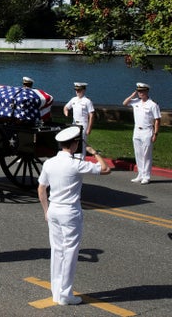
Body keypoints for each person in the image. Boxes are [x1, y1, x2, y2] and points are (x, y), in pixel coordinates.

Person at [37, 126, 110, 305]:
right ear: (74, 144)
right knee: (70, 251)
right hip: (70, 211)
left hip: (53, 209)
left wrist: (46, 211)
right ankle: (66, 294)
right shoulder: (76, 164)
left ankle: (56, 291)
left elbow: (41, 188)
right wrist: (95, 153)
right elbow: (105, 169)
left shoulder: (49, 163)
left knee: (57, 250)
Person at [123, 82, 161, 184]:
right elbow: (124, 103)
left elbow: (157, 119)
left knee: (146, 155)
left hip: (147, 131)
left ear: (147, 91)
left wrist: (155, 133)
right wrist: (132, 95)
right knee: (138, 154)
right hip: (137, 131)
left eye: (142, 91)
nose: (140, 94)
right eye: (139, 91)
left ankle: (146, 176)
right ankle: (140, 174)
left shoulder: (153, 104)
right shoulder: (136, 102)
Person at [63, 82, 94, 146]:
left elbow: (91, 115)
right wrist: (66, 112)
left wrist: (89, 128)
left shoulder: (87, 101)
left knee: (82, 143)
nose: (77, 92)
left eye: (79, 90)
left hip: (83, 125)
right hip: (74, 124)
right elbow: (66, 107)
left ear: (84, 90)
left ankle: (82, 156)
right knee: (73, 142)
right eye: (76, 90)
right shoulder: (73, 99)